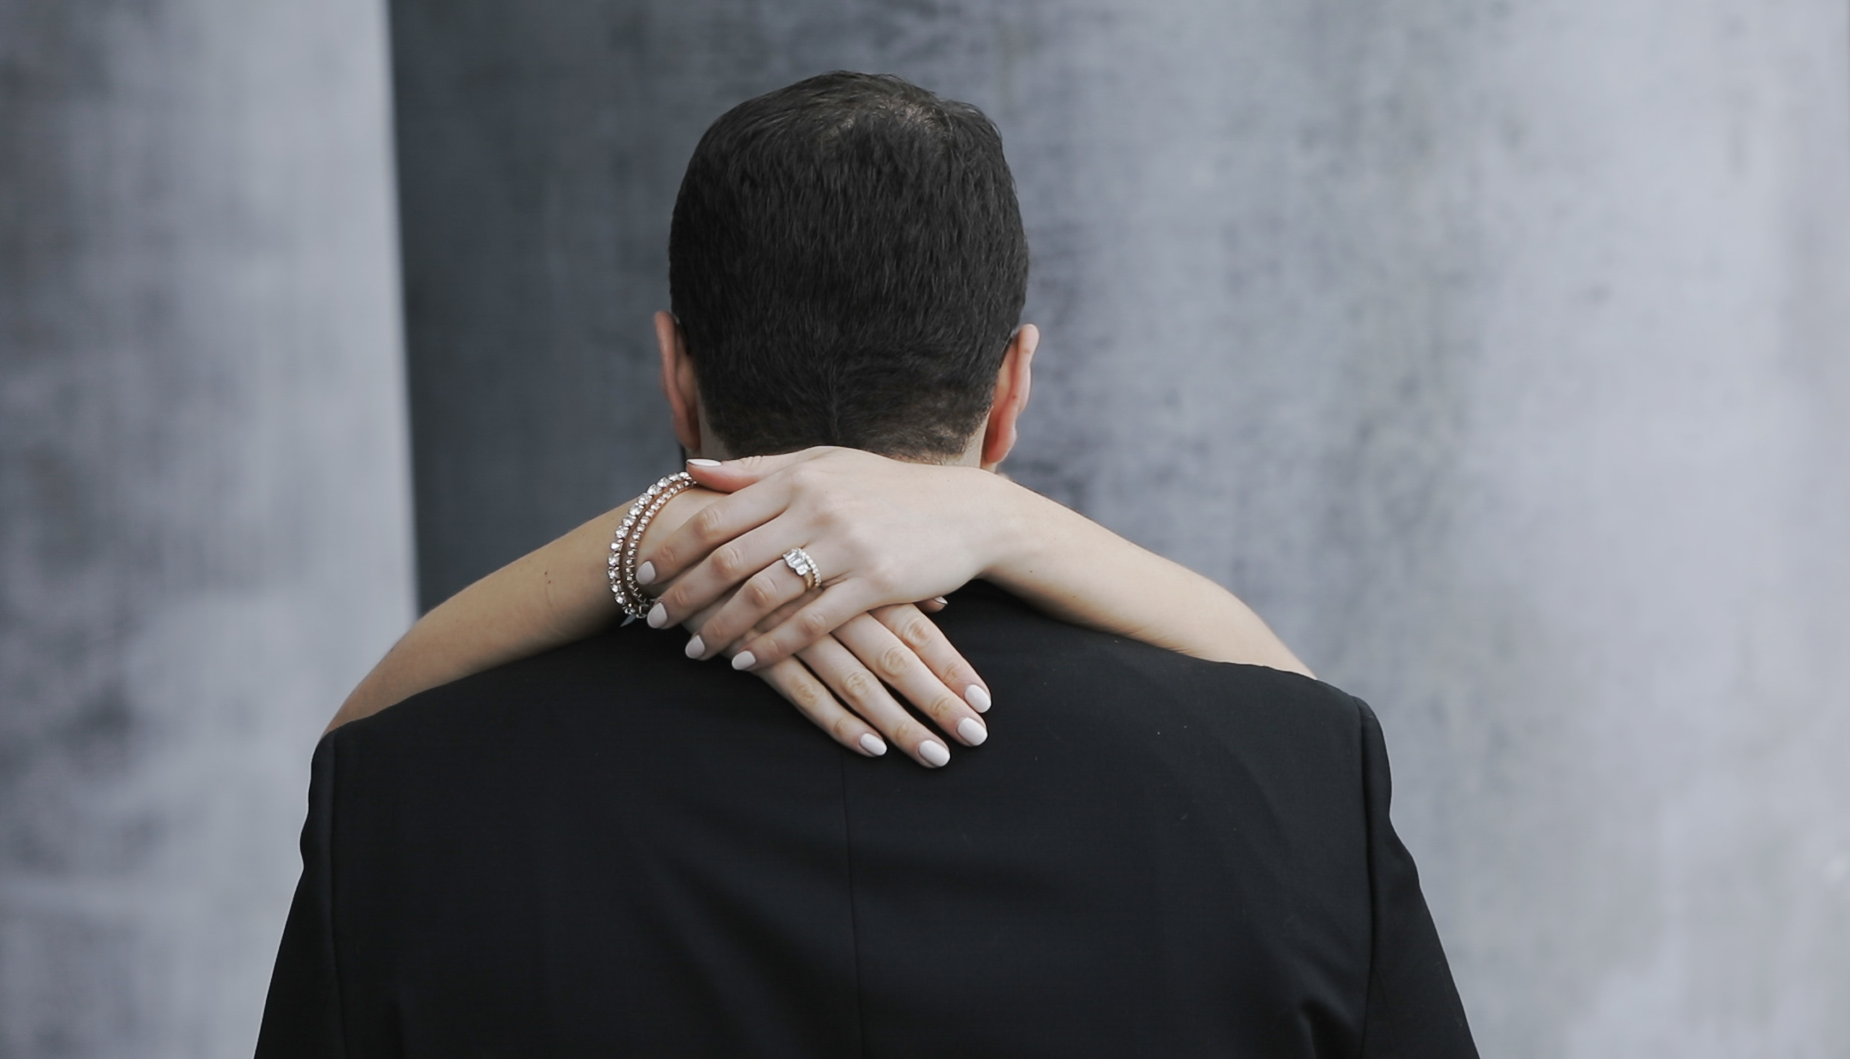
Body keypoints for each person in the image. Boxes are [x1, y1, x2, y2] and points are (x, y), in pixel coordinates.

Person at [256, 71, 1478, 1055]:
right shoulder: (1300, 782)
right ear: (1010, 392)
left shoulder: (407, 801)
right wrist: (1010, 521)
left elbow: (355, 743)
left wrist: (649, 538)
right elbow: (1305, 708)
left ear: (677, 374)